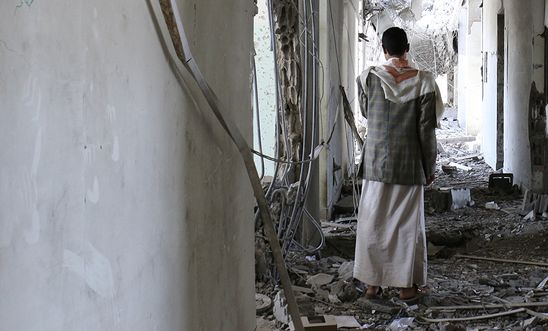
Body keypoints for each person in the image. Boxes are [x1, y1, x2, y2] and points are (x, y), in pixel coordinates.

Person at [353, 27, 443, 301]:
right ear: (407, 49)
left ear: (383, 49)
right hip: (409, 163)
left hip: (376, 162)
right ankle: (405, 287)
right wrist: (429, 167)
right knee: (406, 227)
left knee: (373, 221)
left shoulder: (367, 78)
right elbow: (427, 130)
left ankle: (372, 285)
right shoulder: (425, 82)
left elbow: (368, 112)